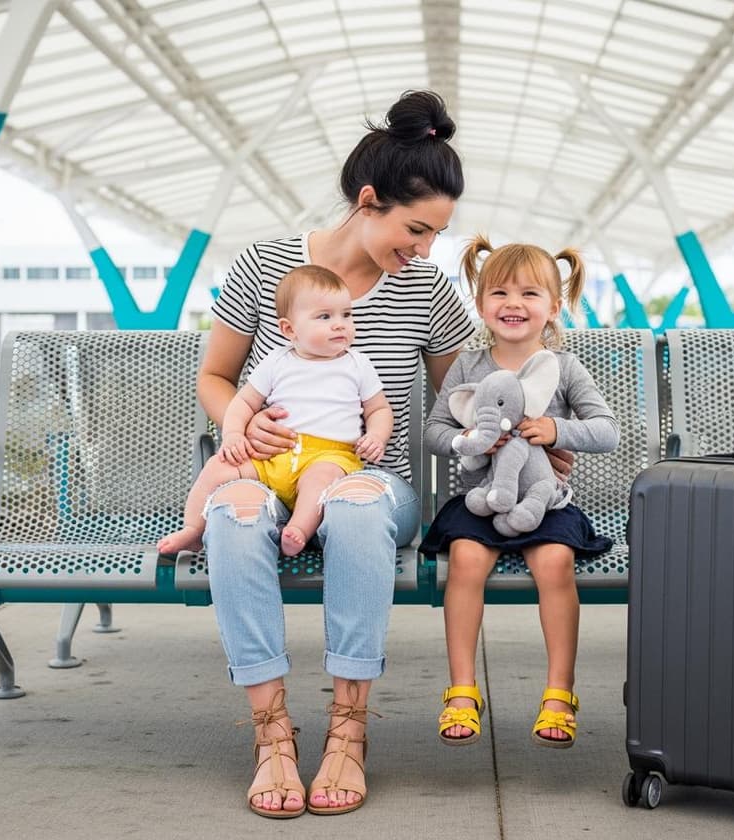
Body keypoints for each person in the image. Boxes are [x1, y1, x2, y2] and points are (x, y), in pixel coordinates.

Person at [199, 90, 475, 818]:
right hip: (269, 471)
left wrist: (523, 433)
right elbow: (216, 375)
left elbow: (463, 399)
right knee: (233, 516)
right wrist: (241, 426)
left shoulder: (429, 290)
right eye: (415, 229)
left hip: (375, 482)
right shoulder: (266, 265)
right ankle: (272, 737)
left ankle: (348, 732)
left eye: (434, 237)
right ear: (367, 199)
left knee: (354, 511)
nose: (421, 250)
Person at [421, 235, 620, 750]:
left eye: (530, 294)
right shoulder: (469, 366)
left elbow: (606, 430)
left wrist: (555, 432)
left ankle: (559, 691)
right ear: (481, 303)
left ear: (554, 306)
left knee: (554, 563)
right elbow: (435, 431)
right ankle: (462, 688)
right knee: (465, 561)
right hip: (480, 500)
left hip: (544, 500)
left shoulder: (566, 368)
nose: (514, 304)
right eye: (500, 293)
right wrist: (471, 439)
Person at [158, 264, 391, 558]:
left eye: (346, 314)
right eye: (324, 316)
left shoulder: (357, 364)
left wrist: (377, 437)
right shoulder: (277, 361)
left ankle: (299, 530)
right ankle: (193, 529)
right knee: (219, 467)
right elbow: (244, 402)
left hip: (330, 454)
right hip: (271, 457)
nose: (340, 324)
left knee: (320, 480)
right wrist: (233, 435)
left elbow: (378, 408)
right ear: (289, 329)